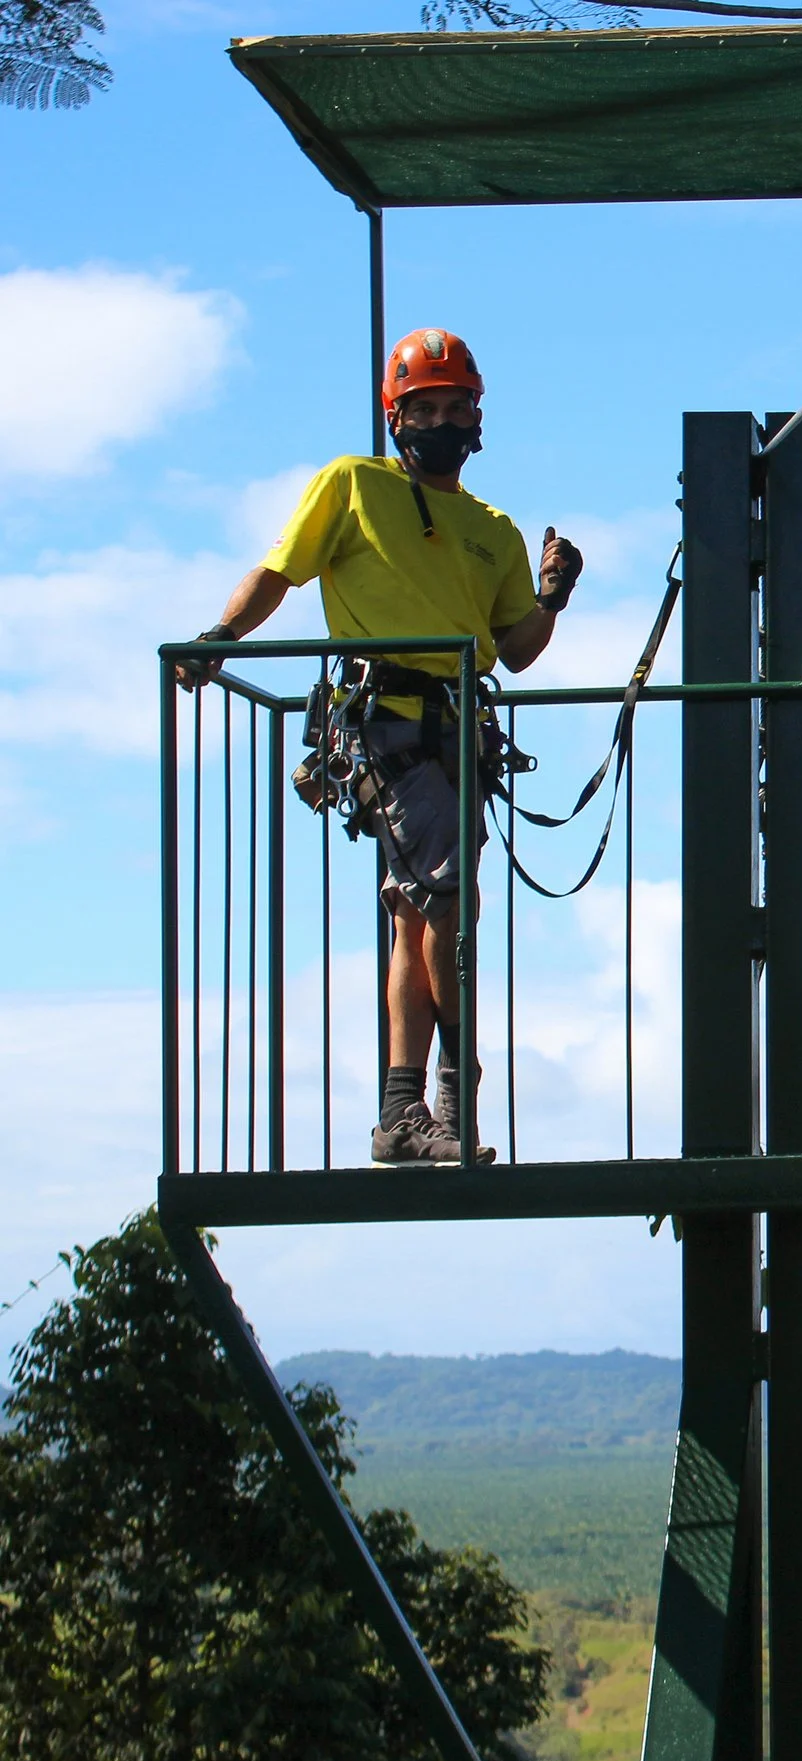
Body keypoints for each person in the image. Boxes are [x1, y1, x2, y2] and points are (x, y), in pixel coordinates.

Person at [179, 328, 581, 1165]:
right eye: (423, 408)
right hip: (384, 720)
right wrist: (219, 636)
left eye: (453, 407)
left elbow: (516, 648)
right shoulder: (352, 485)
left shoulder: (492, 527)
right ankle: (447, 1091)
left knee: (416, 913)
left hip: (459, 730)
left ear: (476, 418)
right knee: (445, 902)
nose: (440, 420)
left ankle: (403, 1110)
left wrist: (552, 594)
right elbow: (281, 571)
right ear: (395, 419)